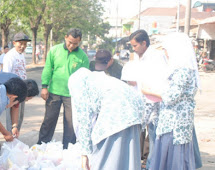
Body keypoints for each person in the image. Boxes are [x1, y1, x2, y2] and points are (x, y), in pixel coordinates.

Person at [142, 32, 201, 170]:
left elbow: (171, 97)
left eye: (166, 49)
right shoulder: (183, 69)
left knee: (173, 161)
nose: (165, 53)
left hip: (175, 125)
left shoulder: (183, 70)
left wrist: (148, 91)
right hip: (175, 124)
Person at [68, 67, 144, 170]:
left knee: (107, 159)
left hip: (116, 111)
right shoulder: (100, 80)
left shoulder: (79, 85)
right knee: (128, 159)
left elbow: (83, 119)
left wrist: (85, 153)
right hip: (135, 112)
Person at [37, 28, 89, 149]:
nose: (71, 45)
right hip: (54, 92)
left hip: (72, 95)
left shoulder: (83, 57)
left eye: (75, 43)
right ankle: (41, 147)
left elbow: (85, 78)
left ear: (80, 41)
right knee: (49, 121)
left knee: (71, 123)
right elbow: (48, 69)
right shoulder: (55, 50)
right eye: (70, 42)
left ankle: (68, 149)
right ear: (66, 37)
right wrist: (44, 86)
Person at [128, 29, 168, 169]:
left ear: (144, 43)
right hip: (141, 100)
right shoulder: (138, 57)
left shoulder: (156, 56)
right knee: (137, 133)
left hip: (154, 102)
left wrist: (150, 92)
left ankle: (152, 165)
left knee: (154, 137)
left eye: (135, 46)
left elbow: (162, 81)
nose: (133, 49)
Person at [0, 71, 39, 157]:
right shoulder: (3, 89)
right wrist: (5, 133)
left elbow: (15, 107)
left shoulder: (18, 87)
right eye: (27, 99)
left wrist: (14, 126)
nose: (26, 101)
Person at [3, 32, 31, 133]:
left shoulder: (21, 55)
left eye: (25, 44)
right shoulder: (10, 56)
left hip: (22, 90)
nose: (23, 46)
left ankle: (15, 136)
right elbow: (6, 75)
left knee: (20, 116)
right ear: (14, 43)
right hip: (13, 91)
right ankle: (10, 137)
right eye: (20, 43)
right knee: (12, 118)